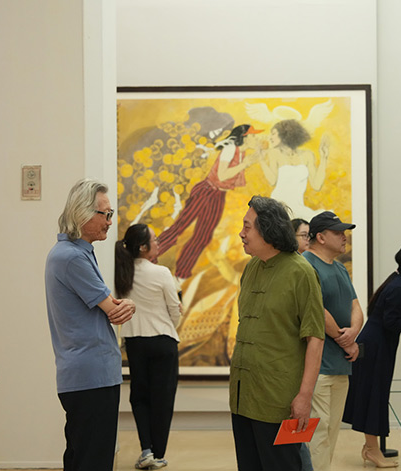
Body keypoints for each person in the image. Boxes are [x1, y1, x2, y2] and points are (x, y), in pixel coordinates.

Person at [45, 178, 136, 471]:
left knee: (82, 455)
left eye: (110, 214)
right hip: (91, 375)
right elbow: (115, 311)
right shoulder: (72, 257)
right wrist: (127, 305)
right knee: (93, 459)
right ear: (82, 213)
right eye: (105, 214)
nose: (109, 221)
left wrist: (122, 306)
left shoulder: (75, 253)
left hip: (88, 374)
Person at [230, 195, 325, 471]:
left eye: (247, 227)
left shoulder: (301, 272)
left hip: (278, 400)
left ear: (268, 230)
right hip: (242, 396)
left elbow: (315, 338)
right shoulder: (251, 268)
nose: (241, 233)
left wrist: (304, 396)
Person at [342, 241, 401, 468]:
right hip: (376, 348)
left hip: (376, 344)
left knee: (374, 396)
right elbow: (392, 322)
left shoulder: (400, 281)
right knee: (375, 396)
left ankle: (371, 448)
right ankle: (373, 450)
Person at [156, 124, 262, 281]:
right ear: (244, 137)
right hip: (206, 191)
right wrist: (245, 164)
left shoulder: (242, 153)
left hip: (218, 195)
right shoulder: (230, 149)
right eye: (253, 136)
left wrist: (252, 158)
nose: (256, 138)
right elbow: (222, 175)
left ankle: (180, 275)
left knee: (203, 236)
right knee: (180, 227)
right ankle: (148, 257)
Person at [115, 224, 181, 470]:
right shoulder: (161, 272)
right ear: (143, 247)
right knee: (163, 398)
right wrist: (171, 322)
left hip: (135, 342)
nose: (158, 243)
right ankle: (159, 454)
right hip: (163, 340)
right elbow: (174, 309)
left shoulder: (122, 271)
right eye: (154, 240)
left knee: (140, 397)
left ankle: (146, 451)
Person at [302, 211, 363, 471]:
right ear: (320, 237)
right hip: (318, 366)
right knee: (317, 432)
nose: (344, 237)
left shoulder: (339, 267)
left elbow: (355, 306)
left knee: (331, 432)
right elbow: (316, 308)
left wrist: (354, 333)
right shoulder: (306, 265)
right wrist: (342, 338)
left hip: (340, 365)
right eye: (338, 232)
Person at [258, 119, 329, 221]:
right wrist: (261, 160)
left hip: (298, 207)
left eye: (273, 133)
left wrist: (324, 158)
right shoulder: (274, 153)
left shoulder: (307, 155)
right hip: (279, 207)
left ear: (284, 134)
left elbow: (316, 185)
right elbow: (272, 181)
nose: (270, 137)